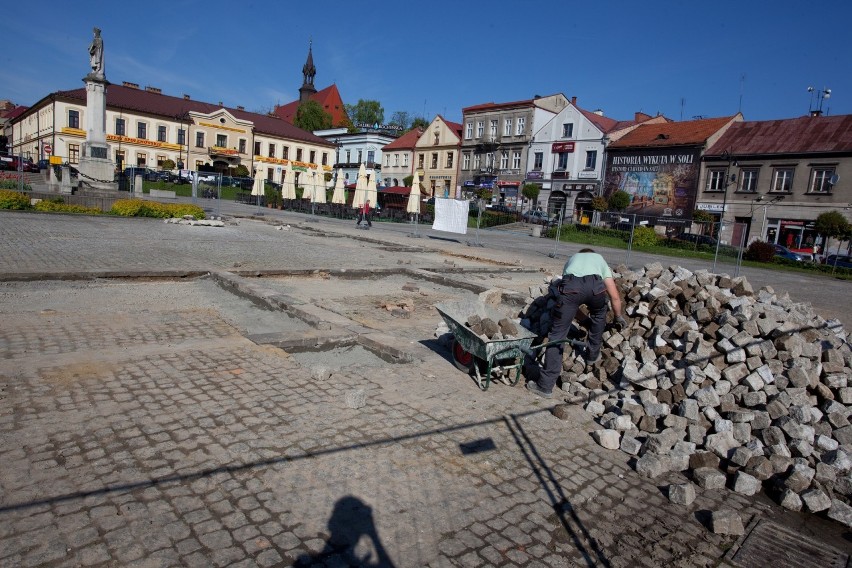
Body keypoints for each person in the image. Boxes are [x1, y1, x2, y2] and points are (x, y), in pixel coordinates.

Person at [527, 248, 626, 399]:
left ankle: (545, 386)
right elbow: (614, 295)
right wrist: (618, 316)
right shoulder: (599, 259)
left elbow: (571, 298)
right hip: (596, 288)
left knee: (557, 335)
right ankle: (593, 354)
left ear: (580, 254)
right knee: (599, 314)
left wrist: (582, 319)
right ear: (592, 254)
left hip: (571, 289)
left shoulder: (572, 259)